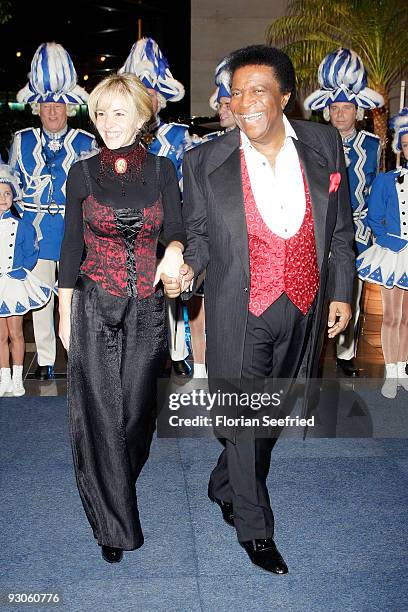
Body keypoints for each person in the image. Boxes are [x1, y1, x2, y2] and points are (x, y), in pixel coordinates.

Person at [164, 45, 354, 575]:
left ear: (286, 97)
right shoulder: (205, 160)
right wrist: (186, 271)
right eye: (236, 92)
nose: (243, 102)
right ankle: (254, 527)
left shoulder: (323, 144)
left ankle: (223, 481)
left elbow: (340, 229)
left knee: (275, 410)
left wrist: (341, 291)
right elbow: (199, 238)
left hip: (304, 306)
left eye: (257, 91)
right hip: (240, 309)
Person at [58, 73, 186, 564]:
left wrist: (173, 249)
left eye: (118, 113)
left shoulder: (161, 169)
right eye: (101, 114)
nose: (108, 124)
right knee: (99, 415)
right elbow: (71, 246)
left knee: (135, 415)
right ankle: (114, 525)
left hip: (147, 308)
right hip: (94, 302)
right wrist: (64, 312)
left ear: (140, 117)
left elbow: (175, 226)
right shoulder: (82, 172)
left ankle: (113, 481)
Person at [9, 42, 96, 380]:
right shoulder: (22, 140)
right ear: (37, 107)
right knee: (42, 296)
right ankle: (45, 361)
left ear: (68, 107)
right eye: (46, 105)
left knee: (75, 294)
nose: (52, 111)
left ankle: (77, 357)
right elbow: (12, 184)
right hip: (36, 228)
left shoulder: (85, 142)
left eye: (58, 105)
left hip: (73, 226)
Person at [304, 48, 383, 377]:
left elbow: (375, 189)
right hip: (321, 229)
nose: (340, 115)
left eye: (346, 108)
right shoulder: (313, 142)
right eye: (334, 108)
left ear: (357, 111)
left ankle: (345, 354)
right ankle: (314, 352)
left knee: (351, 290)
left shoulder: (372, 144)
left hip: (359, 231)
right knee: (318, 290)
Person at [119, 37, 192, 378]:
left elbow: (189, 185)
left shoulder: (179, 135)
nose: (147, 99)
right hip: (132, 227)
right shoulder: (118, 135)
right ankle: (138, 352)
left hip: (169, 225)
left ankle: (176, 353)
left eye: (152, 93)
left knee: (171, 290)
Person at [356, 108, 408, 398]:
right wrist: (391, 241)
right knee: (390, 316)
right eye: (406, 143)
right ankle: (390, 372)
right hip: (393, 253)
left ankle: (403, 368)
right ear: (399, 147)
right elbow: (373, 217)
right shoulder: (387, 180)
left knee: (407, 318)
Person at [0, 165, 51, 397]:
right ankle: (4, 377)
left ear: (14, 196)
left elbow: (31, 251)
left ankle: (18, 377)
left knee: (16, 333)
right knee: (0, 336)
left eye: (7, 194)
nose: (3, 198)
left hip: (14, 284)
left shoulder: (23, 226)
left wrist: (21, 269)